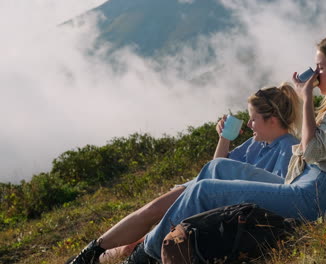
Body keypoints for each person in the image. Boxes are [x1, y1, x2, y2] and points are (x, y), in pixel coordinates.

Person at [118, 32, 326, 263]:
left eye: (321, 67)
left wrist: (306, 100)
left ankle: (144, 257)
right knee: (218, 167)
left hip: (316, 196)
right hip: (306, 185)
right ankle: (186, 231)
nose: (315, 75)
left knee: (203, 191)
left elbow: (314, 150)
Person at [67, 83, 302, 264]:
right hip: (207, 188)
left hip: (218, 201)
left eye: (253, 119)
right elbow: (216, 167)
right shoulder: (255, 143)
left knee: (145, 234)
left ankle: (101, 256)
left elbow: (273, 194)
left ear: (271, 120)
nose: (250, 125)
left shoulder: (287, 148)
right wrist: (224, 139)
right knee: (152, 211)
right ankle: (91, 253)